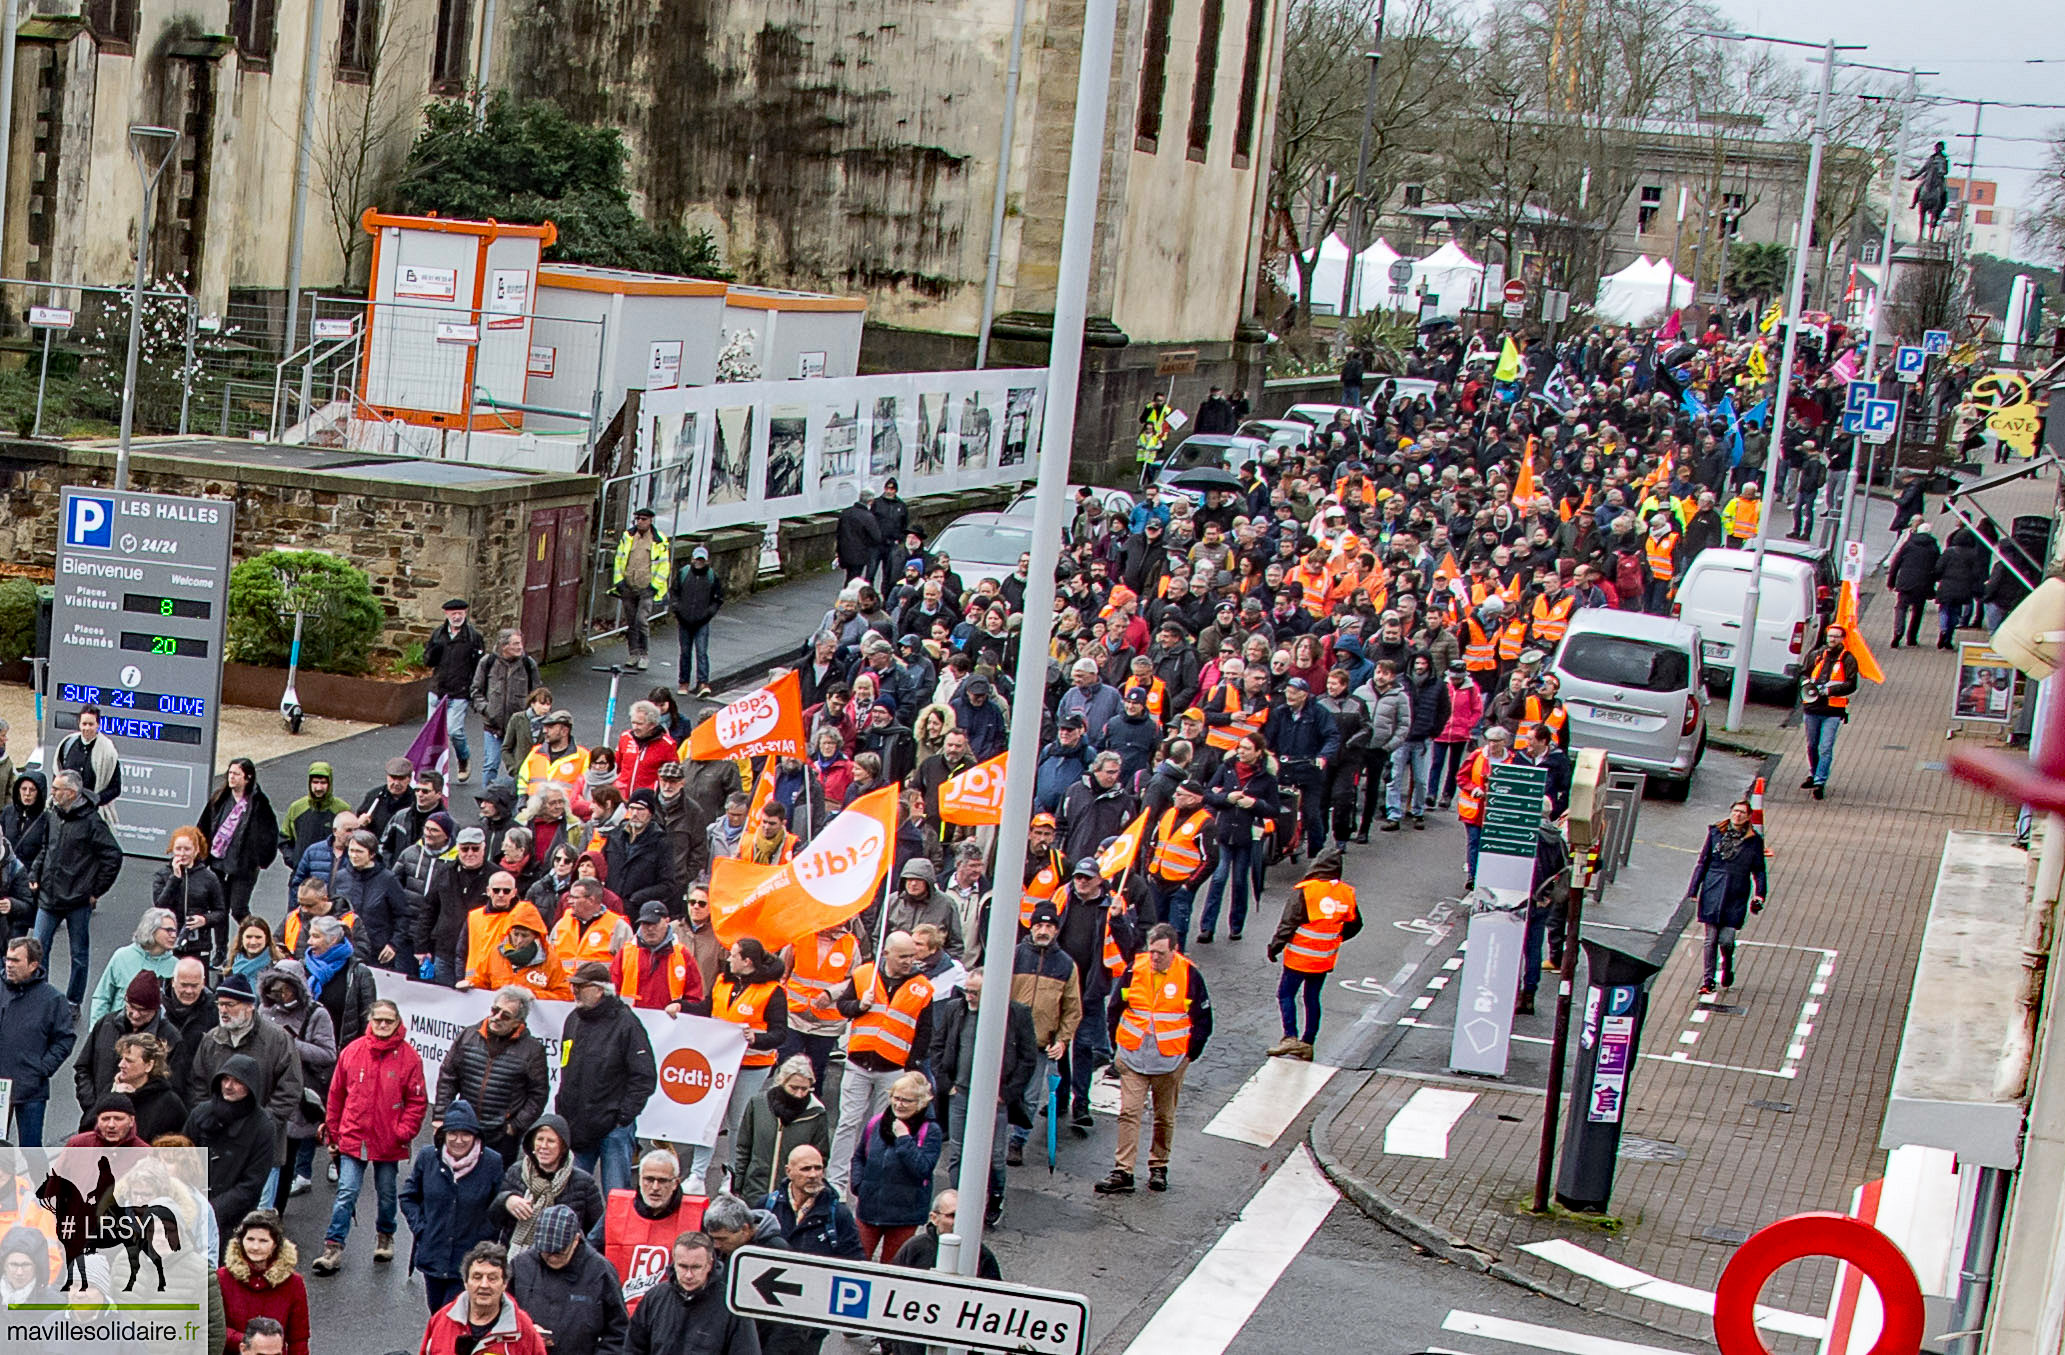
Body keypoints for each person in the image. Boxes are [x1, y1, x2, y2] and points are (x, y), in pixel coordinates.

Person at [1096, 923, 1211, 1196]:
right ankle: (1123, 1170)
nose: (1155, 958)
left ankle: (1159, 1166)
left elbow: (1203, 1020)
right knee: (1129, 1113)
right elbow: (1115, 1008)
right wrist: (1118, 1046)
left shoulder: (1189, 974)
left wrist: (1189, 1055)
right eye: (1152, 952)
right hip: (1135, 1055)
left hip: (1170, 1060)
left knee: (1164, 1116)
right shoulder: (1136, 969)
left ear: (1174, 949)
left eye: (1160, 953)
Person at [318, 998, 425, 1274]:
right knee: (346, 1192)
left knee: (387, 1193)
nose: (383, 1025)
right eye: (378, 1019)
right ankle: (333, 1245)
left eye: (389, 1020)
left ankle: (385, 1236)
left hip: (388, 1141)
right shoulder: (352, 1052)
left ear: (398, 1023)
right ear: (370, 1020)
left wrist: (403, 1132)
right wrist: (334, 1132)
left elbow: (416, 1102)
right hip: (353, 1137)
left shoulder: (410, 1058)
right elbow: (336, 1095)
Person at [826, 932, 934, 1196]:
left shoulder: (922, 987)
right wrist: (859, 1006)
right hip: (859, 1063)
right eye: (903, 956)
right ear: (887, 954)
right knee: (847, 1123)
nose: (909, 961)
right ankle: (836, 1182)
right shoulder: (865, 975)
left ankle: (873, 1176)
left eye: (912, 955)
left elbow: (924, 1032)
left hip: (893, 1068)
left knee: (881, 1126)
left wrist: (911, 1066)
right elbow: (843, 1007)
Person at [929, 969, 1033, 1228]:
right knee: (958, 1152)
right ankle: (958, 1203)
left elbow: (1027, 1059)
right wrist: (946, 1084)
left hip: (994, 1100)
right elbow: (938, 1046)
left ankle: (995, 1199)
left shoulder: (1016, 1014)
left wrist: (1006, 1094)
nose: (969, 997)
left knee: (995, 1155)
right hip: (960, 1093)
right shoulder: (956, 1010)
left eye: (975, 993)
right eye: (967, 991)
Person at [687, 938, 791, 1194]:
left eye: (733, 955)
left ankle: (732, 1175)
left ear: (747, 961)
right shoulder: (723, 982)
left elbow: (780, 1033)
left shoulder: (772, 991)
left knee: (739, 1124)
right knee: (709, 1118)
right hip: (720, 1062)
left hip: (752, 1065)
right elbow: (707, 1008)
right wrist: (682, 1007)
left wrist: (757, 1039)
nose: (728, 959)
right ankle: (697, 1174)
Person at [557, 961, 658, 1195]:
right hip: (578, 1124)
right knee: (572, 1192)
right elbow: (565, 1065)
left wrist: (623, 1117)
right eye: (574, 986)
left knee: (616, 1195)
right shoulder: (573, 1019)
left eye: (581, 987)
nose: (575, 992)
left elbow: (644, 1075)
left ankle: (615, 1233)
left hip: (613, 1128)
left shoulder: (626, 1023)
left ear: (600, 990)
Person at [400, 1098, 507, 1312]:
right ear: (444, 1136)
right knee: (437, 1314)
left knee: (450, 1317)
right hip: (434, 1257)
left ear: (476, 1136)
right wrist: (422, 1229)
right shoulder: (428, 1158)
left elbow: (500, 1206)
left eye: (466, 1134)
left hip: (469, 1260)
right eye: (453, 1134)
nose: (459, 1140)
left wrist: (486, 1238)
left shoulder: (492, 1163)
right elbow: (408, 1196)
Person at [29, 769, 123, 1011]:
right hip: (48, 898)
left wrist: (96, 891)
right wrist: (35, 874)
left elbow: (113, 856)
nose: (52, 792)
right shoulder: (52, 815)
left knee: (79, 955)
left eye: (57, 789)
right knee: (39, 949)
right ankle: (41, 996)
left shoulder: (92, 822)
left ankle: (73, 1001)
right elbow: (45, 848)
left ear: (71, 793)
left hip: (77, 900)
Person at [435, 987, 550, 1169]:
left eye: (505, 1015)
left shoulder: (532, 1050)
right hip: (464, 1128)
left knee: (496, 1190)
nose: (496, 1017)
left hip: (501, 1137)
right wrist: (441, 1116)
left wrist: (516, 1126)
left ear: (518, 1022)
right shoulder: (468, 1035)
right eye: (495, 1010)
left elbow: (539, 1094)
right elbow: (448, 1077)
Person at [1265, 848, 1360, 1059]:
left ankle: (1290, 1037)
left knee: (1286, 994)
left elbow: (1288, 923)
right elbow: (1355, 924)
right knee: (1312, 997)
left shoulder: (1306, 890)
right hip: (1324, 958)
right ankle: (1308, 1043)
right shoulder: (1345, 893)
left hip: (1300, 956)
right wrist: (1335, 937)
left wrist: (1275, 947)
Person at [257, 960, 336, 1201]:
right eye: (276, 990)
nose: (281, 995)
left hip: (297, 1094)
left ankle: (276, 1212)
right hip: (266, 1091)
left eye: (286, 989)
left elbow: (328, 1054)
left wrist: (291, 1044)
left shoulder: (316, 1014)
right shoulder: (265, 1010)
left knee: (285, 1158)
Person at [509, 1204, 629, 1355]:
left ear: (576, 1240)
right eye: (546, 1251)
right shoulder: (521, 1265)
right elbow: (502, 1314)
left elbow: (619, 1332)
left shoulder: (600, 1271)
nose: (551, 1258)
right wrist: (526, 1330)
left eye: (559, 1253)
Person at [185, 1053, 280, 1237]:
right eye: (225, 1079)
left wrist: (214, 1209)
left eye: (237, 1081)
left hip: (233, 1218)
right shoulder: (201, 1113)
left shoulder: (262, 1126)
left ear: (250, 1086)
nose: (228, 1086)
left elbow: (253, 1181)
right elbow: (180, 1157)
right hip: (191, 1209)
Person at [603, 1147, 708, 1312]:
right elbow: (592, 1253)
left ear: (675, 1183)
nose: (655, 1187)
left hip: (674, 1310)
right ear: (639, 1179)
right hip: (619, 1309)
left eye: (663, 1181)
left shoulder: (695, 1216)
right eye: (649, 1179)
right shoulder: (618, 1210)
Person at [850, 1070, 940, 1261]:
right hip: (869, 1208)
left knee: (893, 1267)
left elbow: (922, 1169)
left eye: (907, 1100)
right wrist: (859, 1185)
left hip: (904, 1215)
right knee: (856, 1261)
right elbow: (859, 1157)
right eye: (896, 1098)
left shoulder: (930, 1131)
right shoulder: (876, 1123)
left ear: (921, 1102)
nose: (899, 1104)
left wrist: (904, 1138)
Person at [1197, 733, 1278, 943]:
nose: (1241, 752)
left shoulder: (1267, 779)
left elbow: (1274, 809)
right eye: (1240, 747)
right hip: (1223, 833)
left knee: (1240, 882)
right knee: (1218, 878)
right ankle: (1207, 927)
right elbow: (1208, 794)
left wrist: (1254, 804)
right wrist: (1226, 798)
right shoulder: (1227, 768)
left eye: (1247, 749)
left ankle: (1236, 926)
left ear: (1258, 753)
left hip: (1246, 836)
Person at [624, 1233, 760, 1355]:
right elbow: (633, 1347)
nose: (689, 1275)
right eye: (683, 1266)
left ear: (709, 1265)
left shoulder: (731, 1305)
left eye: (696, 1267)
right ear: (674, 1263)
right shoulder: (655, 1297)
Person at [491, 1113, 607, 1253]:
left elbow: (597, 1233)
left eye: (551, 1141)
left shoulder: (583, 1182)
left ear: (563, 1147)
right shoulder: (516, 1171)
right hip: (515, 1259)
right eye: (540, 1139)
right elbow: (493, 1219)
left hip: (563, 1263)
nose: (543, 1146)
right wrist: (506, 1201)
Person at [75, 969, 176, 1127]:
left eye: (143, 1010)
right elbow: (83, 1067)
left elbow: (172, 1086)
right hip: (96, 1120)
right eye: (131, 1006)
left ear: (155, 1009)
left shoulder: (170, 1038)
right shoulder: (106, 1024)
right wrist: (93, 1105)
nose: (135, 1015)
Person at [1688, 800, 1768, 996]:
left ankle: (1727, 964)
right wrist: (1694, 889)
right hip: (1713, 889)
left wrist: (1760, 894)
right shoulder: (1716, 833)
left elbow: (1759, 869)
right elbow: (1703, 862)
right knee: (1710, 940)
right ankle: (1708, 980)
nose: (1737, 815)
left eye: (1742, 812)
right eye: (1735, 811)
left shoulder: (1754, 841)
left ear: (1748, 816)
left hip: (1736, 892)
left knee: (1726, 940)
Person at [729, 1054, 831, 1205]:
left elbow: (821, 1157)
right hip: (755, 1192)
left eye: (805, 1089)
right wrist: (738, 1186)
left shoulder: (816, 1113)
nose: (799, 1094)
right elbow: (744, 1148)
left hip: (793, 1197)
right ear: (781, 1083)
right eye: (794, 1088)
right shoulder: (758, 1105)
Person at [0, 937, 74, 1144]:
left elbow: (65, 1039)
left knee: (31, 1151)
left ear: (33, 965)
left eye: (16, 961)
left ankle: (38, 1179)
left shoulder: (52, 999)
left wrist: (42, 1069)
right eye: (7, 959)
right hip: (0, 1088)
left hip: (31, 1088)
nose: (9, 965)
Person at [419, 1242, 549, 1355]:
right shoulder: (442, 1320)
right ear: (465, 1282)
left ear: (504, 1283)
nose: (484, 1285)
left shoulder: (523, 1329)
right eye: (477, 1277)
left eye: (492, 1278)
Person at [219, 1210, 310, 1355]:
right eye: (250, 1239)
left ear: (275, 1245)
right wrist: (251, 1343)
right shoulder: (222, 1278)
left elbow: (298, 1339)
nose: (255, 1247)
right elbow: (212, 1327)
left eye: (263, 1241)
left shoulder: (294, 1283)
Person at [474, 629, 543, 792]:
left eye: (520, 643)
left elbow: (537, 692)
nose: (521, 647)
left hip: (519, 726)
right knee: (491, 765)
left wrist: (531, 714)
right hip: (493, 726)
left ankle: (518, 802)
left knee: (520, 767)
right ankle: (486, 802)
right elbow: (476, 690)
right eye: (516, 643)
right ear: (504, 646)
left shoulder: (528, 664)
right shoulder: (488, 662)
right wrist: (486, 709)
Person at [87, 905, 180, 1026]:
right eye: (168, 930)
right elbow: (102, 997)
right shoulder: (122, 956)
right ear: (151, 929)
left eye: (175, 931)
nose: (173, 935)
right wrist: (96, 1031)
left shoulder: (177, 966)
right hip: (119, 1031)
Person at [427, 599, 488, 783]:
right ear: (446, 614)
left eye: (460, 613)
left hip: (460, 691)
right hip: (437, 689)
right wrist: (434, 652)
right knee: (432, 733)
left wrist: (477, 691)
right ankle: (432, 770)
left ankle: (463, 758)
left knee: (454, 731)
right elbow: (427, 661)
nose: (457, 616)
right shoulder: (438, 634)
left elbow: (480, 667)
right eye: (453, 613)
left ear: (466, 613)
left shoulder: (473, 637)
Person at [1799, 625, 1860, 799]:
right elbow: (1804, 673)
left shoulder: (1848, 659)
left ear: (1842, 639)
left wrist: (1829, 691)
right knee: (1812, 745)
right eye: (1830, 636)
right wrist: (1805, 684)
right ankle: (1814, 773)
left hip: (1833, 710)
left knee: (1825, 747)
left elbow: (1851, 684)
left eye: (1836, 637)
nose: (1832, 639)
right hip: (1811, 708)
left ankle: (1819, 781)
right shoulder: (1816, 655)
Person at [613, 507, 672, 673]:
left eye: (643, 519)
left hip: (647, 588)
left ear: (651, 520)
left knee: (641, 621)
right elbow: (619, 559)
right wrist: (619, 582)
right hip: (628, 586)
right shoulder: (628, 537)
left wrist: (654, 587)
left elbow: (663, 566)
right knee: (631, 622)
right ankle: (633, 654)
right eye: (638, 519)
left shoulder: (659, 541)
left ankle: (644, 655)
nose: (640, 522)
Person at [157, 824, 227, 961]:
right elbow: (159, 907)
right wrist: (175, 879)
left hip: (199, 944)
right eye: (178, 849)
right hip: (169, 942)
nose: (182, 854)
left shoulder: (209, 878)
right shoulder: (163, 875)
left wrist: (205, 920)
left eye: (187, 849)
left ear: (196, 851)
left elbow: (220, 912)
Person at [107, 1031, 187, 1140]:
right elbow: (89, 1126)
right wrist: (114, 1097)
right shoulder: (113, 1090)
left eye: (129, 1061)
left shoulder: (169, 1104)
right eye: (122, 1059)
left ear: (149, 1065)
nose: (121, 1065)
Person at [673, 545, 726, 697]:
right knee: (685, 653)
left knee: (702, 652)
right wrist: (678, 611)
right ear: (692, 559)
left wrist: (707, 614)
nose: (699, 562)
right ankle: (684, 683)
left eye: (702, 560)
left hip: (702, 621)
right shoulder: (684, 573)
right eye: (697, 559)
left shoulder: (711, 576)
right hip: (684, 620)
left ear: (706, 561)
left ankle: (703, 683)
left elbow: (718, 599)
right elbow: (674, 593)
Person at [1886, 521, 1941, 649]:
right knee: (1918, 611)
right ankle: (1912, 638)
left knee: (1901, 608)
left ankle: (1898, 632)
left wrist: (1891, 582)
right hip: (1923, 585)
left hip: (1906, 583)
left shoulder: (1909, 544)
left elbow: (1896, 564)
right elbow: (1937, 567)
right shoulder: (1933, 547)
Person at [55, 704, 121, 809]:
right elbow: (57, 775)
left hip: (93, 813)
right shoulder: (67, 744)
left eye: (91, 724)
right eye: (84, 724)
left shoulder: (108, 752)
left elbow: (115, 789)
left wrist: (94, 800)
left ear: (98, 725)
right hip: (65, 811)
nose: (87, 728)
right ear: (79, 724)